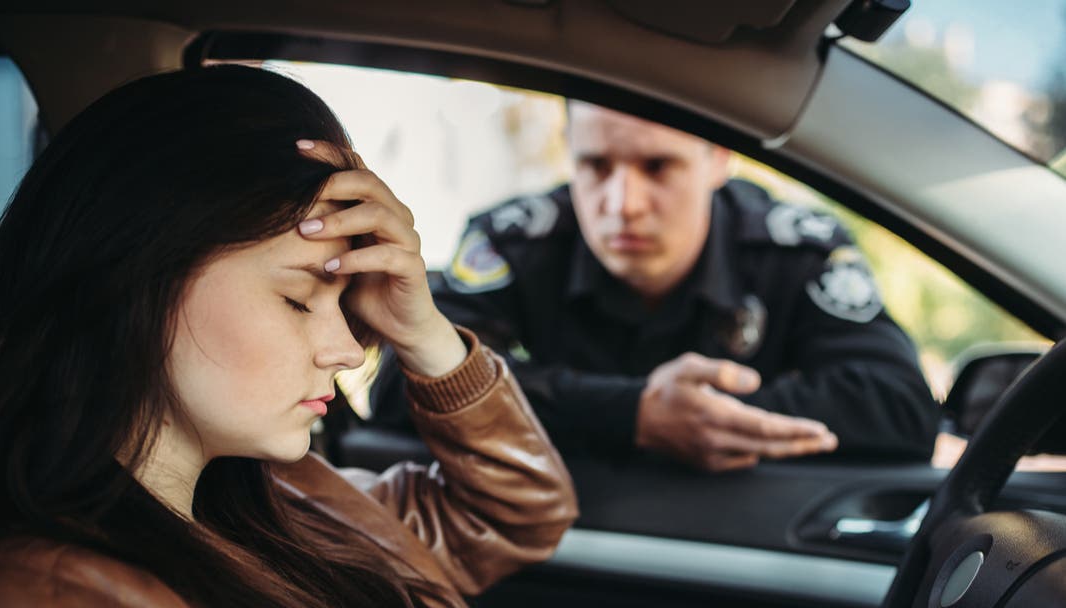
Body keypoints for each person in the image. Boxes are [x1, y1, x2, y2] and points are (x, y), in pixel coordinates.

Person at [0, 65, 578, 608]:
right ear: (132, 279)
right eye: (300, 298)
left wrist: (421, 329)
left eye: (345, 300)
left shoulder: (279, 499)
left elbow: (519, 512)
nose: (345, 350)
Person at [369, 101, 940, 472]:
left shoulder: (793, 248)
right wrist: (632, 413)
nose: (622, 205)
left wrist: (698, 416)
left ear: (719, 159)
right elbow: (400, 385)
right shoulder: (516, 241)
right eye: (595, 166)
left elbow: (899, 406)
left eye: (658, 167)